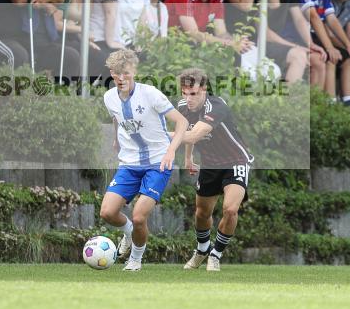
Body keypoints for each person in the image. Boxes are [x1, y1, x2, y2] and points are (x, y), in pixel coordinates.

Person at [98, 49, 187, 271]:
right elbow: (117, 119)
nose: (121, 78)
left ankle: (135, 259)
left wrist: (171, 151)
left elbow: (182, 122)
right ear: (111, 72)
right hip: (129, 164)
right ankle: (128, 233)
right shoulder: (109, 97)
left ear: (134, 71)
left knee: (139, 216)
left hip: (158, 163)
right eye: (117, 73)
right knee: (107, 213)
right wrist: (116, 141)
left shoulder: (151, 94)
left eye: (126, 73)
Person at [177, 68, 254, 272]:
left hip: (235, 161)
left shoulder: (217, 106)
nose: (188, 98)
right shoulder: (182, 107)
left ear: (204, 90)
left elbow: (192, 135)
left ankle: (216, 254)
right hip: (209, 164)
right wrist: (188, 157)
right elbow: (187, 129)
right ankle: (202, 249)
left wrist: (156, 135)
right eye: (184, 93)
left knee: (230, 209)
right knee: (202, 213)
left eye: (193, 93)